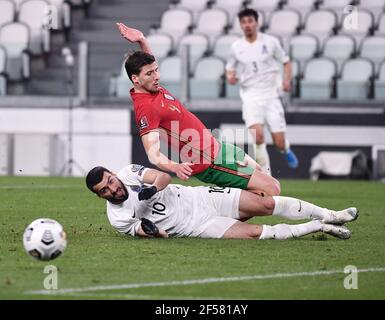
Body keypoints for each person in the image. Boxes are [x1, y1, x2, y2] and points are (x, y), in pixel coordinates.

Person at [115, 22, 282, 198]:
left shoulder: (150, 86)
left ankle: (221, 217)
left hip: (218, 147)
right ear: (135, 79)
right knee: (271, 189)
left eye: (156, 71)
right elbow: (153, 155)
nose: (157, 76)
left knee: (260, 174)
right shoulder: (146, 108)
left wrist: (141, 39)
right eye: (150, 73)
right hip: (209, 162)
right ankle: (218, 222)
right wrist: (175, 166)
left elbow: (148, 63)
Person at [85, 164, 358, 240]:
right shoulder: (116, 218)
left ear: (112, 174)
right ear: (101, 196)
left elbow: (162, 176)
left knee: (265, 204)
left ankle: (331, 214)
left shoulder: (128, 173)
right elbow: (146, 231)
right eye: (105, 190)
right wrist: (153, 231)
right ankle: (319, 226)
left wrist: (152, 189)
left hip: (201, 199)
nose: (113, 188)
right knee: (254, 233)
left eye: (110, 181)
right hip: (198, 227)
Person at [226, 8, 299, 173]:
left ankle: (285, 149)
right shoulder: (236, 47)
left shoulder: (270, 42)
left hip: (271, 96)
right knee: (258, 137)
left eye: (250, 21)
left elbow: (286, 62)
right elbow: (229, 69)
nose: (247, 25)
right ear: (240, 25)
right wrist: (230, 77)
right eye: (243, 22)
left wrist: (287, 81)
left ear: (257, 23)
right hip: (250, 96)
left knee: (278, 142)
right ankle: (267, 177)